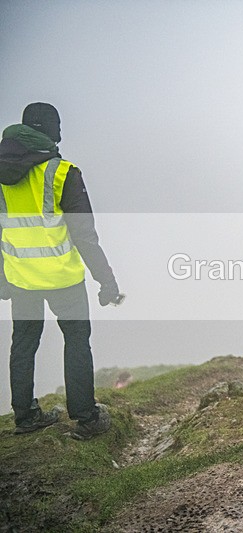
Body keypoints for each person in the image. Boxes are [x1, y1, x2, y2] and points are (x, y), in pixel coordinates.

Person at [0, 103, 121, 439]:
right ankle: (86, 419)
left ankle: (25, 417)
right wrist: (106, 281)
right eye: (58, 126)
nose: (61, 133)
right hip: (63, 278)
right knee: (77, 341)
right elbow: (85, 235)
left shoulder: (2, 174)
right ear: (49, 130)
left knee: (23, 343)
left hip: (21, 277)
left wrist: (2, 278)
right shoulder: (63, 173)